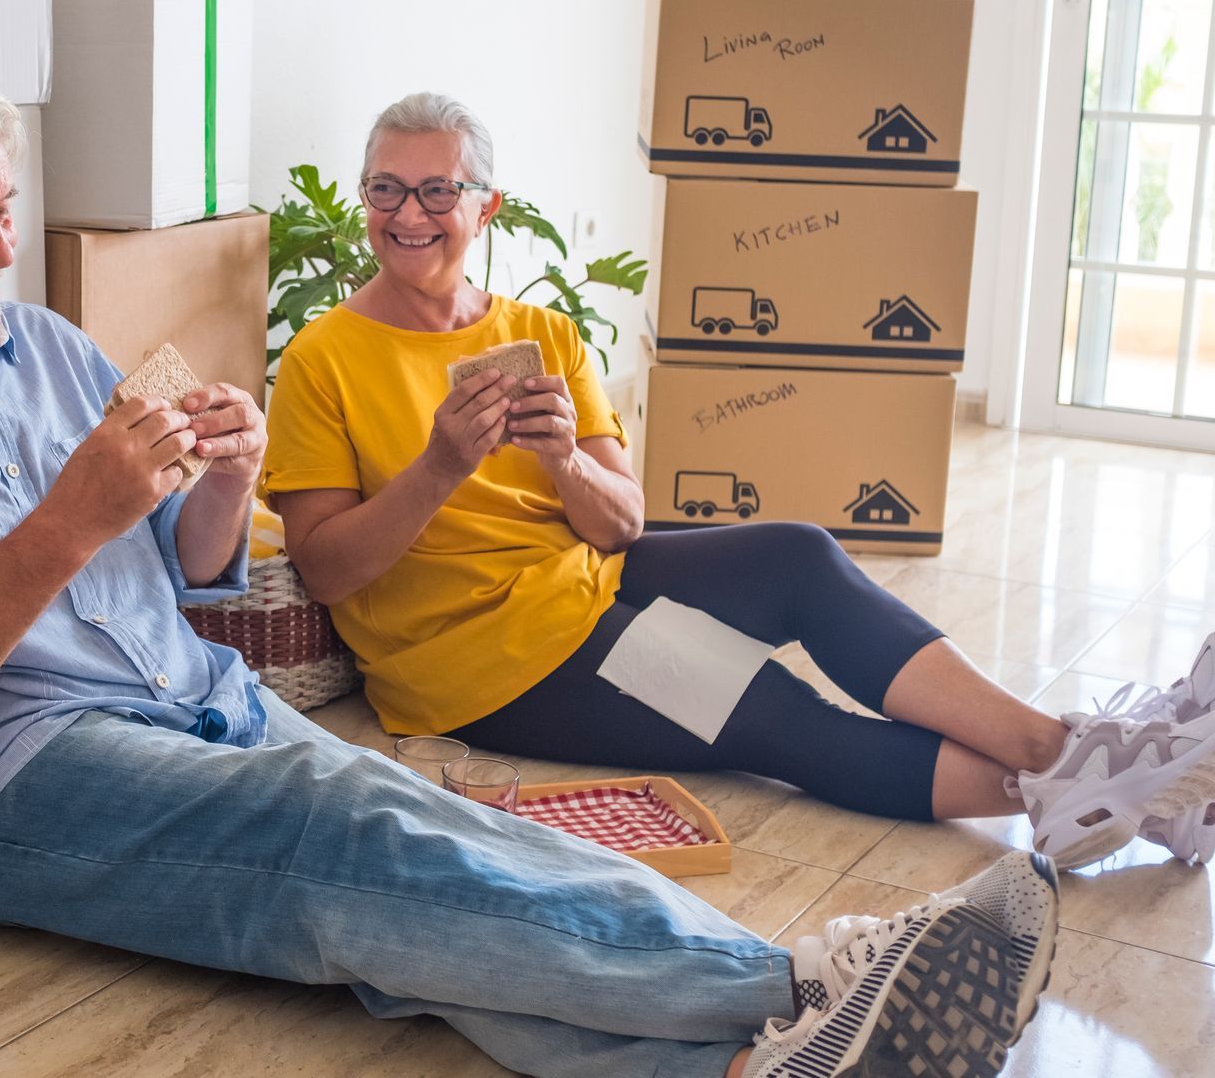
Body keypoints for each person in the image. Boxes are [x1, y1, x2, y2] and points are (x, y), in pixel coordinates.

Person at [0, 61, 1058, 1078]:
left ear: (480, 206)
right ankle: (796, 985)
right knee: (353, 846)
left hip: (195, 698)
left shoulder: (51, 348)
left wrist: (227, 479)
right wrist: (69, 521)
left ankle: (740, 1057)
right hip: (6, 775)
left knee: (447, 847)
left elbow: (190, 578)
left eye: (3, 209)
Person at [263, 91, 1215, 874]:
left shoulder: (543, 334)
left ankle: (1078, 767)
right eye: (386, 189)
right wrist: (439, 468)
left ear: (485, 207)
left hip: (586, 582)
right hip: (479, 658)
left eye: (436, 190)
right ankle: (1088, 773)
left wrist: (558, 461)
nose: (408, 214)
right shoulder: (322, 357)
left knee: (799, 554)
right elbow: (328, 570)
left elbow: (623, 521)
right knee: (765, 709)